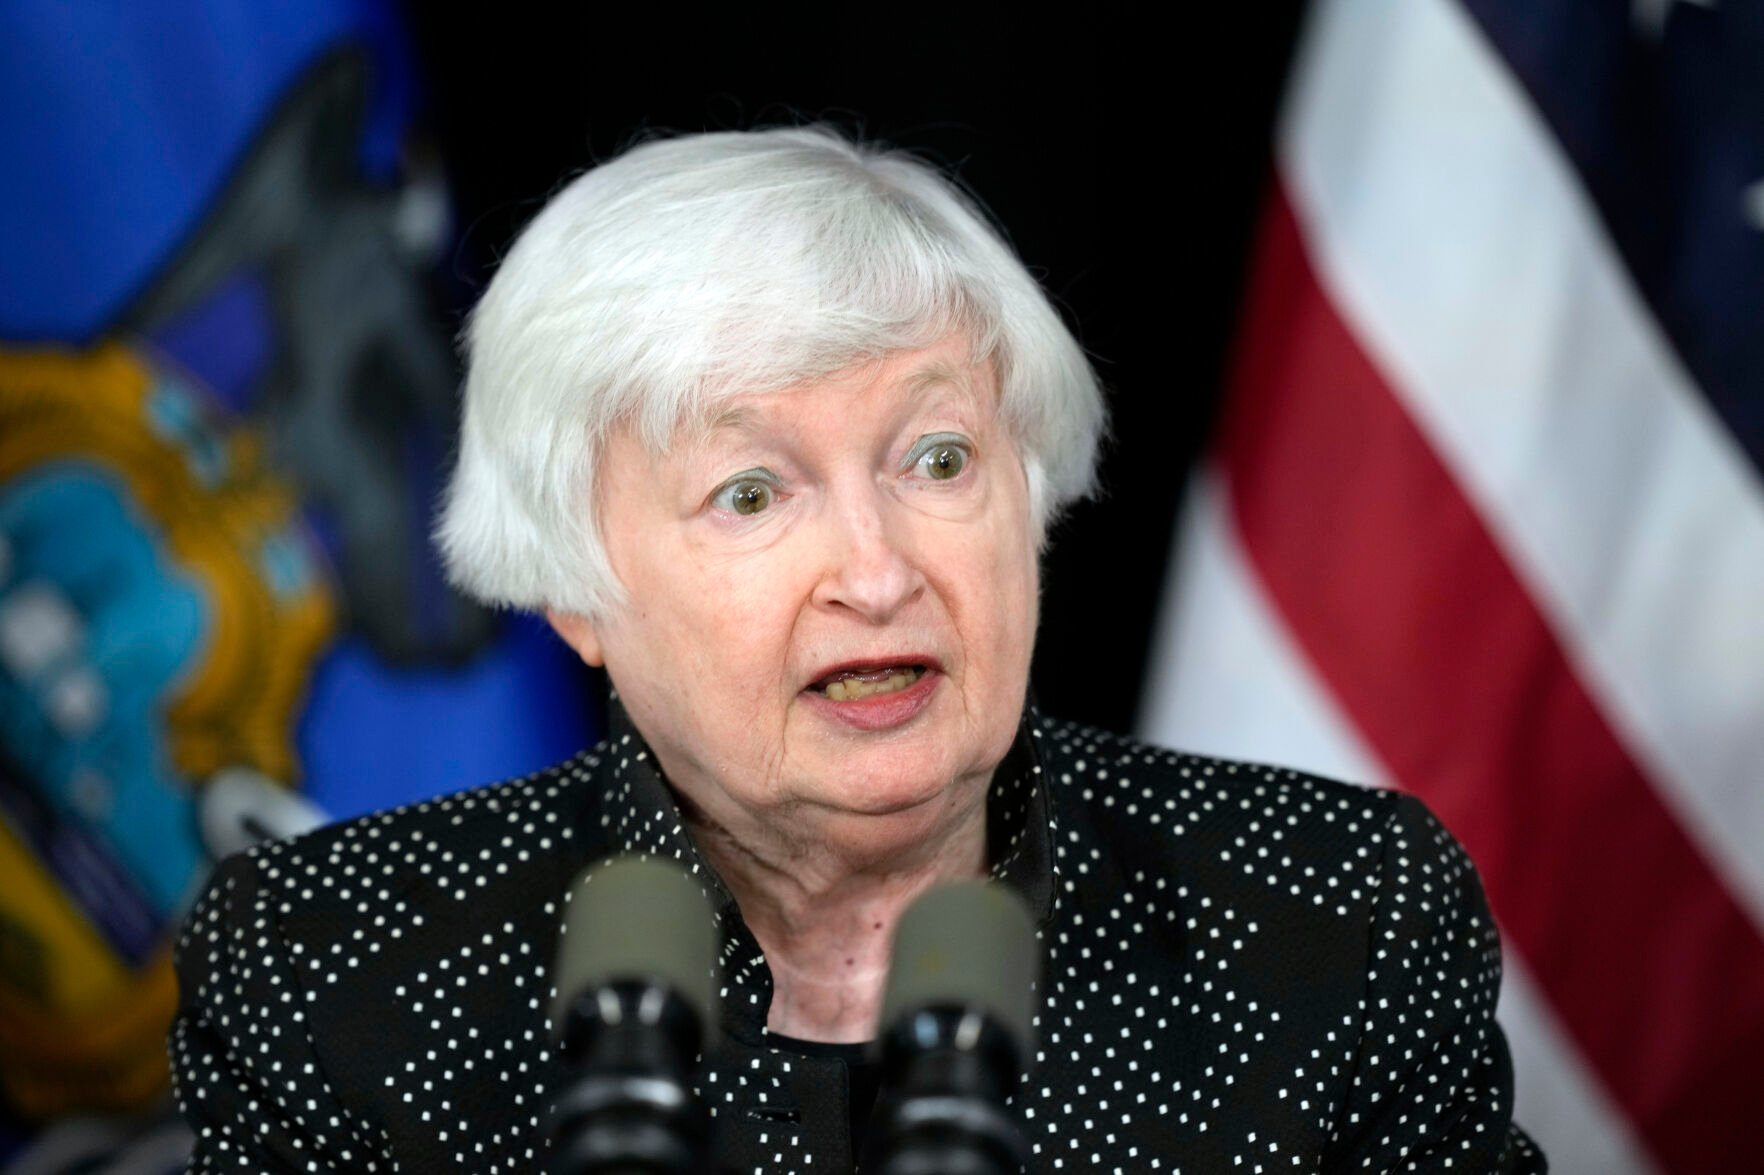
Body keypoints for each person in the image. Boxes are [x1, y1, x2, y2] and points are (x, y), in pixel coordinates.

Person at [168, 124, 1546, 1172]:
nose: (879, 574)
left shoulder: (1336, 920)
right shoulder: (330, 974)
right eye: (753, 493)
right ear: (573, 592)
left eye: (937, 460)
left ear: (1032, 497)